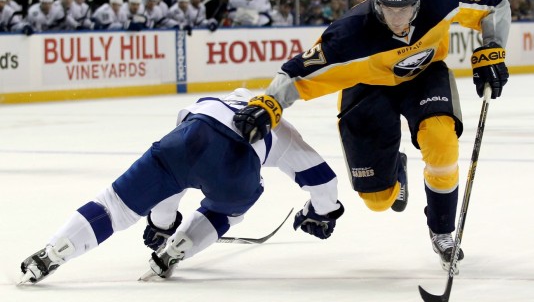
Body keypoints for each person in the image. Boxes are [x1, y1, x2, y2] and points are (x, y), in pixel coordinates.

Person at [233, 0, 511, 273]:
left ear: (416, 3)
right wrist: (268, 102)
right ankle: (396, 169)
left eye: (403, 9)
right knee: (377, 201)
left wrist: (492, 47)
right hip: (366, 88)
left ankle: (442, 230)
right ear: (377, 3)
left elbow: (494, 3)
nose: (396, 18)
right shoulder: (349, 33)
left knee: (442, 143)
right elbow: (297, 71)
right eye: (388, 9)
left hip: (425, 75)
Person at [19, 88, 343, 284]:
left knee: (114, 206)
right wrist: (320, 213)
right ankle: (178, 249)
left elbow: (174, 181)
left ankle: (53, 252)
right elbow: (324, 180)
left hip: (192, 136)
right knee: (225, 213)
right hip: (239, 174)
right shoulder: (283, 131)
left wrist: (161, 223)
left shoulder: (209, 101)